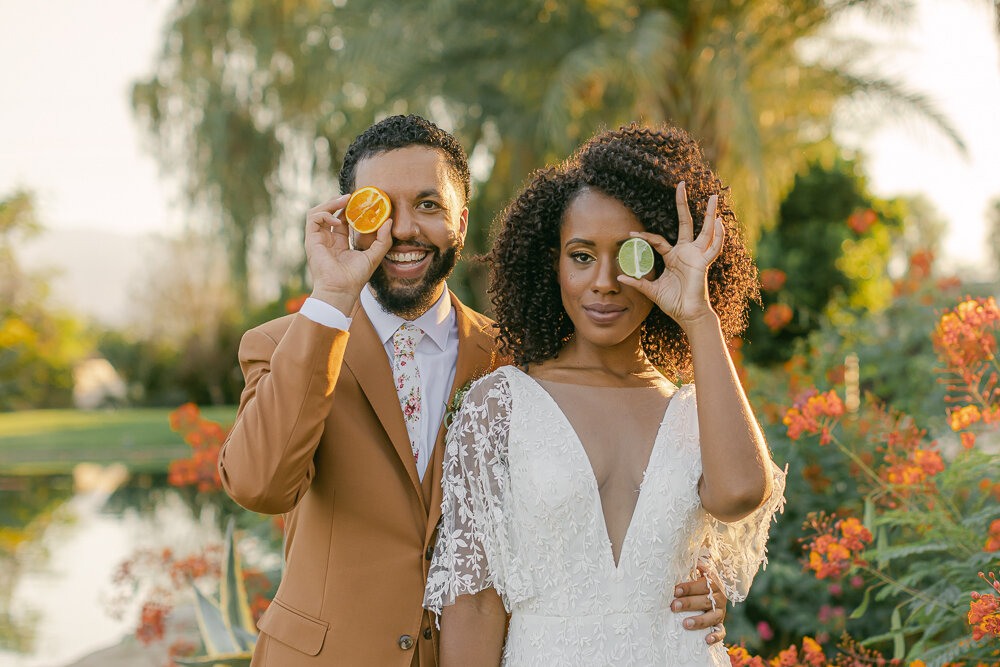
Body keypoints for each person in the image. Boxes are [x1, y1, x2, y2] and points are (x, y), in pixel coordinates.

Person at [218, 115, 726, 667]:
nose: (405, 230)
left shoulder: (519, 364)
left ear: (461, 220)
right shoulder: (282, 345)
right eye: (380, 208)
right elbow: (259, 485)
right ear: (351, 219)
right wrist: (331, 295)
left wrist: (681, 582)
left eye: (428, 205)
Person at [423, 123, 787, 666]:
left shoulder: (690, 411)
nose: (606, 281)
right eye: (582, 255)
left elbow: (739, 493)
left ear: (663, 262)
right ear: (553, 264)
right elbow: (473, 604)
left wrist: (699, 317)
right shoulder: (498, 408)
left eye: (632, 255)